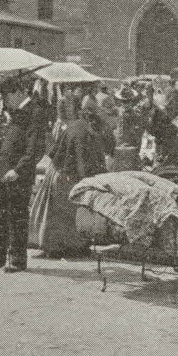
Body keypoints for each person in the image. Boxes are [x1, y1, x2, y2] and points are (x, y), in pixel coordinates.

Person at [0, 77, 50, 273]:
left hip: (19, 174)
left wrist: (18, 170)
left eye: (6, 96)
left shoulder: (34, 112)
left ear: (18, 92)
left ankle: (18, 260)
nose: (5, 101)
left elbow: (35, 149)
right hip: (6, 173)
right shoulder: (17, 112)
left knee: (17, 217)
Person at [30, 108, 109, 259]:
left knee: (60, 211)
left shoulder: (78, 126)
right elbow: (80, 161)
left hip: (59, 170)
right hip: (64, 174)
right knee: (63, 212)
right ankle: (59, 247)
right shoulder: (81, 134)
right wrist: (86, 181)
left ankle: (66, 245)